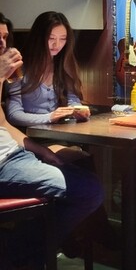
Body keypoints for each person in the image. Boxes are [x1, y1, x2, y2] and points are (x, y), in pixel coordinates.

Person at [0, 42, 104, 267]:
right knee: (89, 189)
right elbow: (14, 114)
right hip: (3, 164)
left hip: (17, 154)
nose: (3, 44)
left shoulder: (60, 70)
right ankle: (13, 251)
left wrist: (43, 152)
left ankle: (24, 252)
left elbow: (3, 124)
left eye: (5, 37)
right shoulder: (16, 75)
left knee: (84, 168)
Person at [5, 11, 89, 128]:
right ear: (39, 38)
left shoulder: (64, 64)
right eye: (51, 38)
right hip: (28, 134)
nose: (57, 45)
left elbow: (73, 100)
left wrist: (77, 110)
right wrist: (50, 117)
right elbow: (13, 115)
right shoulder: (18, 66)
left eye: (63, 39)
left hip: (58, 132)